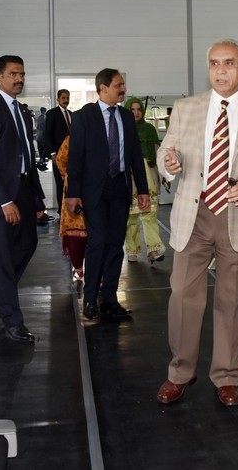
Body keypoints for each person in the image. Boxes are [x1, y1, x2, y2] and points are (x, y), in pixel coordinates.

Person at [155, 38, 238, 409]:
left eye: (228, 63)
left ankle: (226, 376)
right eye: (214, 63)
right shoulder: (186, 108)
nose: (220, 70)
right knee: (183, 296)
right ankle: (180, 373)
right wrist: (169, 163)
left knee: (231, 300)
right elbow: (165, 151)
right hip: (193, 216)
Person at [64, 69, 150, 320]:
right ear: (103, 88)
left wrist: (143, 189)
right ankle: (90, 299)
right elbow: (75, 157)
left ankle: (109, 300)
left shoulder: (126, 116)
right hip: (94, 191)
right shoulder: (83, 117)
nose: (123, 89)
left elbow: (135, 155)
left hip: (119, 188)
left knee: (115, 244)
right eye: (118, 85)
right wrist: (72, 193)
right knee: (98, 241)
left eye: (123, 85)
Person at [0, 55, 46, 342]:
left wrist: (37, 198)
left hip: (24, 190)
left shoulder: (22, 112)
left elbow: (28, 154)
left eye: (22, 74)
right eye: (14, 74)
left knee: (28, 244)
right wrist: (3, 201)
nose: (19, 79)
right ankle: (13, 322)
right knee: (2, 261)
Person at [123, 96, 165, 264]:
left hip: (149, 173)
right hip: (130, 175)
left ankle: (153, 249)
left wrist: (162, 174)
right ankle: (132, 249)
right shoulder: (123, 128)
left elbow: (157, 153)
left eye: (139, 109)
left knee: (150, 213)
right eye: (132, 110)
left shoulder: (149, 129)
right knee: (131, 216)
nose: (136, 113)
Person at [54, 133, 87, 282]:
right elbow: (60, 160)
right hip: (74, 191)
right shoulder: (71, 138)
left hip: (95, 189)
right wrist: (68, 176)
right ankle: (78, 267)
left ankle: (91, 270)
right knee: (76, 236)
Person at [45, 89, 71, 217]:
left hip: (71, 156)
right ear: (58, 99)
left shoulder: (72, 114)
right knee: (60, 183)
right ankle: (61, 211)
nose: (66, 100)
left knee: (70, 183)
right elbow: (47, 135)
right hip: (58, 157)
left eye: (67, 98)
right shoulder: (52, 113)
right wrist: (53, 153)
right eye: (63, 98)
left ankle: (70, 211)